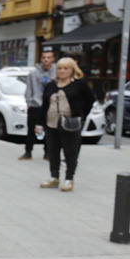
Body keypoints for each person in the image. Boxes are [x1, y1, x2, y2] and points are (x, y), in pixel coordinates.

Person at [35, 57, 94, 192]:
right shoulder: (51, 85)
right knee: (52, 151)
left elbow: (90, 100)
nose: (62, 71)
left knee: (70, 153)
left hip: (70, 124)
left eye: (66, 68)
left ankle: (69, 179)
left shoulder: (79, 84)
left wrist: (81, 116)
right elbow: (44, 105)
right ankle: (54, 177)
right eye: (59, 68)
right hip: (51, 124)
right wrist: (39, 123)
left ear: (72, 70)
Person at [21, 48, 55, 161]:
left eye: (48, 57)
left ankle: (47, 153)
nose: (46, 60)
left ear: (53, 59)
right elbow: (28, 89)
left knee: (49, 130)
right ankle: (28, 152)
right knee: (32, 130)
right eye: (44, 57)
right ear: (40, 59)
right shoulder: (33, 73)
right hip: (36, 106)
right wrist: (29, 102)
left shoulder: (56, 73)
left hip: (51, 107)